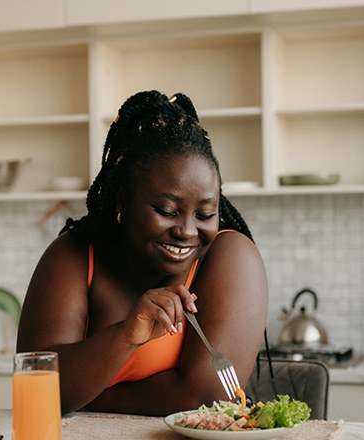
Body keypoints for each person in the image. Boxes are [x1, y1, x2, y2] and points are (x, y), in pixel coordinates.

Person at [16, 90, 268, 416]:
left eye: (205, 214)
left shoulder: (231, 256)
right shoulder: (74, 254)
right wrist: (124, 337)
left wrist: (93, 396)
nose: (188, 231)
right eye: (166, 209)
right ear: (122, 201)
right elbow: (36, 385)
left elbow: (206, 398)